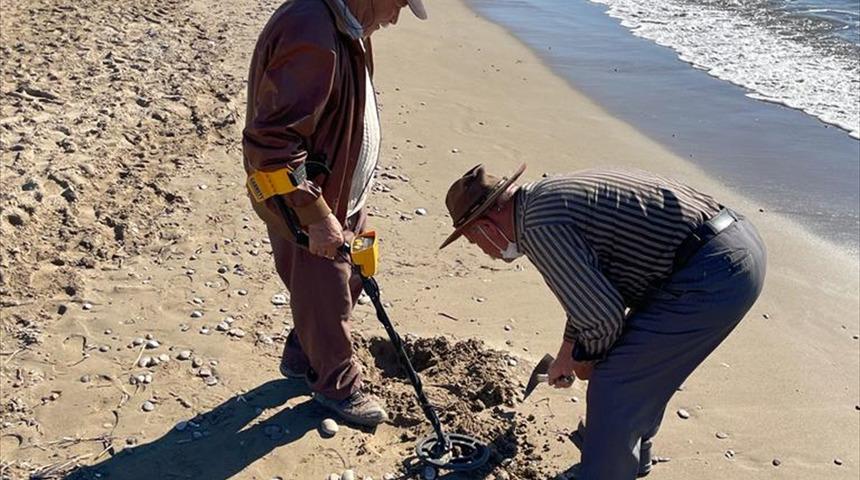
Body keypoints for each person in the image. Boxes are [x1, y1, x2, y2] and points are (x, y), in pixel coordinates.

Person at [440, 164, 766, 478]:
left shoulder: (536, 228)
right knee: (639, 363)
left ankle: (606, 467)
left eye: (473, 241)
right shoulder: (541, 201)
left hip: (713, 272)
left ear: (485, 226)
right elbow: (590, 290)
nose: (482, 250)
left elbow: (602, 316)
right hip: (730, 245)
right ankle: (630, 456)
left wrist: (585, 363)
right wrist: (568, 352)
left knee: (614, 382)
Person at [242, 0, 428, 427]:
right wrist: (316, 214)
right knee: (327, 289)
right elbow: (273, 143)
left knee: (359, 266)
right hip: (308, 203)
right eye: (397, 4)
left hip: (342, 193)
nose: (396, 17)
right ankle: (337, 387)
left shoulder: (346, 26)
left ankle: (303, 355)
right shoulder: (311, 31)